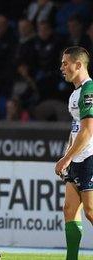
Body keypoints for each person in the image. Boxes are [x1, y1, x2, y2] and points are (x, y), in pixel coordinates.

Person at [55, 46, 93, 260]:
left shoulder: (89, 90)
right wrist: (68, 156)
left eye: (65, 63)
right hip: (78, 158)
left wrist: (66, 157)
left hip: (90, 157)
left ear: (78, 65)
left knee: (90, 211)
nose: (62, 67)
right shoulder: (75, 93)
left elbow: (88, 130)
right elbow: (76, 129)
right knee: (70, 209)